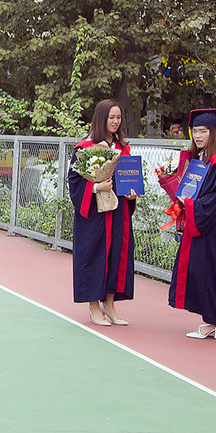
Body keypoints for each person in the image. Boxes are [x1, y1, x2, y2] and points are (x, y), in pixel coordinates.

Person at [164, 108, 216, 340]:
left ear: (214, 133)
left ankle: (213, 321)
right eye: (195, 131)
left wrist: (188, 203)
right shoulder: (203, 159)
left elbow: (213, 200)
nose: (198, 136)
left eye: (203, 131)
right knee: (211, 272)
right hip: (212, 225)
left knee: (212, 272)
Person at [68, 99, 136, 326]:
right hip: (95, 214)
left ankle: (109, 302)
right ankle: (93, 304)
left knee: (116, 254)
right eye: (111, 117)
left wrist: (131, 194)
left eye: (119, 117)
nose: (116, 122)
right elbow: (74, 182)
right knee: (94, 255)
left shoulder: (123, 148)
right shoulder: (85, 148)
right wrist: (97, 187)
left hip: (118, 212)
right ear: (101, 118)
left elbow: (128, 178)